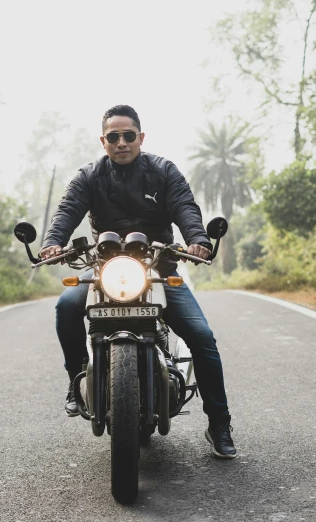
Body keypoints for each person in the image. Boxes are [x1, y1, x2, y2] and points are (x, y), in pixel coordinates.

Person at [38, 104, 236, 459]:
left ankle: (219, 424)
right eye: (113, 137)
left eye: (129, 135)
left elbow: (185, 206)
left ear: (140, 137)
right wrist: (53, 242)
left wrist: (198, 239)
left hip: (158, 267)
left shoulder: (163, 171)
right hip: (104, 268)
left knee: (202, 338)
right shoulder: (89, 176)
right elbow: (67, 210)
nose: (122, 142)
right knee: (65, 305)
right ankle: (76, 380)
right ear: (104, 141)